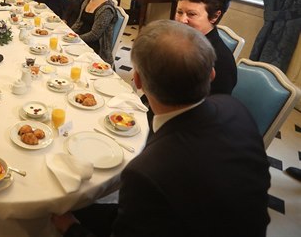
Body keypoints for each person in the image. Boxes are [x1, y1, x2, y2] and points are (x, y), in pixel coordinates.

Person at [52, 20, 270, 237]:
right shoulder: (236, 109)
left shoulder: (146, 172)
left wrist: (70, 227)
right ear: (212, 74)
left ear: (137, 81)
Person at [174, 0, 237, 94]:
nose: (182, 20)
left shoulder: (220, 62)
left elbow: (212, 106)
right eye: (179, 12)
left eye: (191, 14)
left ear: (214, 16)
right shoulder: (178, 40)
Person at [70, 0, 117, 65]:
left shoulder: (106, 9)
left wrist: (76, 39)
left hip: (95, 49)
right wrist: (69, 34)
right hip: (81, 42)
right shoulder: (87, 1)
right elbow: (78, 23)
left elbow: (94, 35)